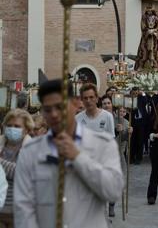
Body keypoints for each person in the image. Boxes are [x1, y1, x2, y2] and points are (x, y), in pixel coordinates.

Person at [14, 79, 123, 228]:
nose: (54, 114)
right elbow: (23, 208)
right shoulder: (30, 152)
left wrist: (78, 158)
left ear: (75, 104)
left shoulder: (103, 145)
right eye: (47, 109)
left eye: (60, 107)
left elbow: (113, 191)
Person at [0, 109, 34, 227]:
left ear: (26, 130)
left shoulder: (32, 149)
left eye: (17, 126)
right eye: (9, 125)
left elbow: (21, 173)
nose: (12, 128)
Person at [134, 5, 158, 71]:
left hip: (154, 37)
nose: (149, 11)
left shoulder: (156, 18)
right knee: (144, 51)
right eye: (148, 10)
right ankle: (141, 66)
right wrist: (148, 31)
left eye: (151, 10)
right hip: (146, 37)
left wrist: (154, 30)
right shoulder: (144, 17)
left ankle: (155, 66)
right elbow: (143, 26)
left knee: (155, 51)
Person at [130, 87, 150, 164]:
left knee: (140, 140)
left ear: (138, 92)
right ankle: (131, 157)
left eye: (136, 92)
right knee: (132, 141)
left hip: (141, 122)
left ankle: (139, 158)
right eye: (134, 92)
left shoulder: (142, 98)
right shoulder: (130, 98)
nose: (135, 93)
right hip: (133, 121)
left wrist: (143, 93)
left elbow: (146, 100)